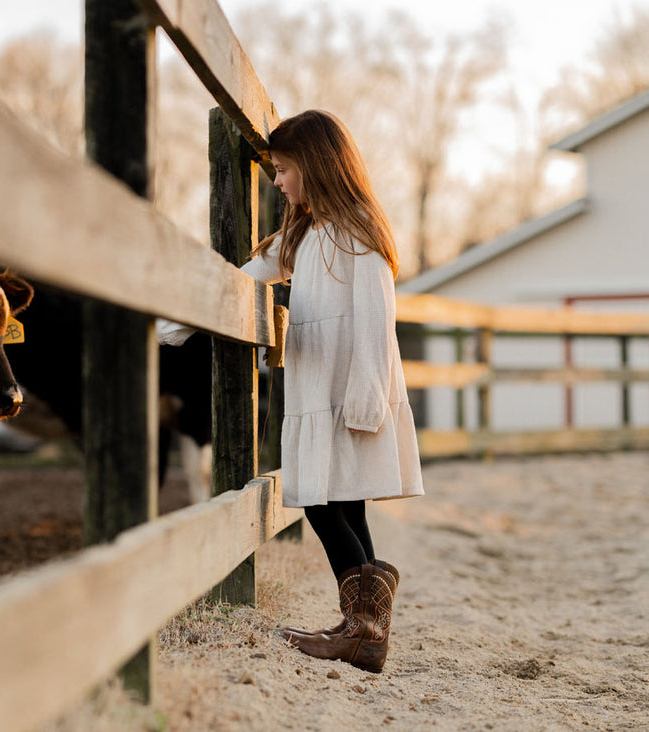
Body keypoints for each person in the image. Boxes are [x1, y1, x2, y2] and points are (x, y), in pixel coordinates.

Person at [158, 109, 423, 673]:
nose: (276, 181)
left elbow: (378, 320)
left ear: (317, 163)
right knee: (341, 503)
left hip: (349, 389)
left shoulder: (358, 228)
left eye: (282, 169)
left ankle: (363, 630)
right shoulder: (303, 233)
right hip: (313, 388)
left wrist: (368, 394)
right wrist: (169, 328)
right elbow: (247, 277)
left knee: (326, 504)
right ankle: (363, 630)